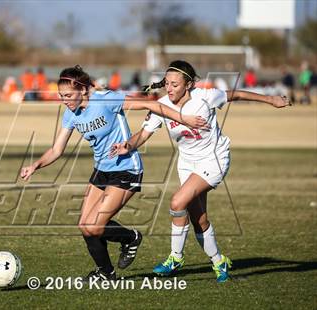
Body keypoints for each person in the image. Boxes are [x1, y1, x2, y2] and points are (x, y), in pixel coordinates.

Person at [20, 65, 208, 282]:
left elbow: (152, 104)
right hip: (101, 171)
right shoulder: (70, 114)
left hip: (126, 168)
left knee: (94, 225)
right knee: (85, 226)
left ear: (83, 90)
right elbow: (56, 150)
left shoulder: (106, 99)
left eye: (69, 95)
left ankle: (131, 238)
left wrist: (184, 119)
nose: (65, 100)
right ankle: (106, 273)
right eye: (61, 96)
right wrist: (35, 165)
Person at [110, 60, 290, 283]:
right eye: (167, 83)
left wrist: (271, 99)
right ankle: (218, 261)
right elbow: (143, 134)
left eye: (175, 84)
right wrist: (126, 145)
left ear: (188, 84)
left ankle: (175, 258)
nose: (169, 88)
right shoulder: (162, 105)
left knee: (177, 202)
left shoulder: (205, 97)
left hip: (214, 160)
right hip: (187, 164)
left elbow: (237, 95)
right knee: (199, 219)